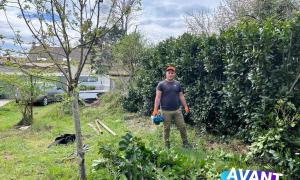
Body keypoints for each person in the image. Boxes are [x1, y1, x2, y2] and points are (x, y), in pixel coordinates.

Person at [152, 65, 191, 148]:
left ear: (174, 74)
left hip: (177, 110)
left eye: (172, 73)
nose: (170, 74)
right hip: (165, 111)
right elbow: (158, 97)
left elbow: (181, 96)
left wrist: (186, 106)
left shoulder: (177, 84)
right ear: (166, 74)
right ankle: (166, 145)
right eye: (169, 73)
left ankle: (185, 143)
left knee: (182, 126)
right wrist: (155, 109)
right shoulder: (161, 84)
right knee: (166, 128)